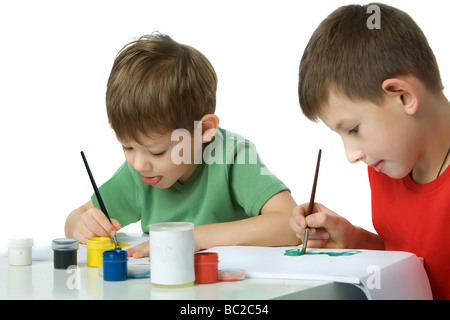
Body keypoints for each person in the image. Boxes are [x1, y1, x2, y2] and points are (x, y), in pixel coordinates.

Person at [65, 33, 300, 257]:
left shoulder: (232, 155)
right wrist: (81, 225)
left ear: (204, 130)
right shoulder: (141, 172)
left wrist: (193, 237)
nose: (138, 164)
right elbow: (77, 218)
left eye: (157, 152)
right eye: (127, 147)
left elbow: (291, 225)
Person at [289, 3, 450, 299]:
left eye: (352, 130)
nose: (352, 156)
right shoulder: (389, 164)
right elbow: (410, 262)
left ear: (403, 97)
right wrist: (351, 239)